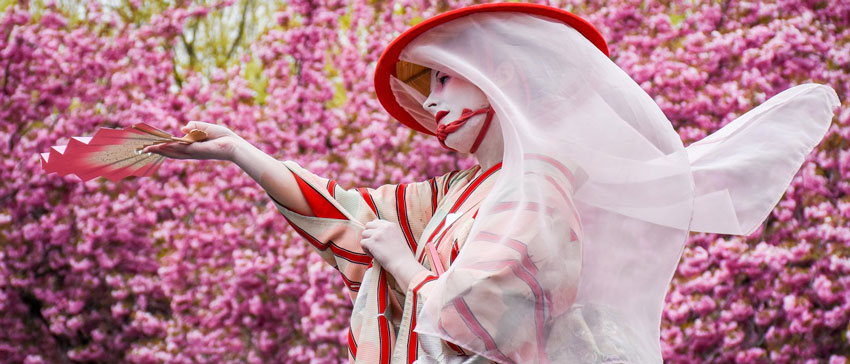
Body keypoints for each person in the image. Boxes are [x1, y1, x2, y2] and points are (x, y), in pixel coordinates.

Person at [145, 3, 839, 364]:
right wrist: (240, 153)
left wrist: (403, 264)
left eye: (444, 78)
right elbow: (349, 217)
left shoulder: (540, 186)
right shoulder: (456, 193)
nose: (433, 103)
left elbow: (488, 316)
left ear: (502, 81)